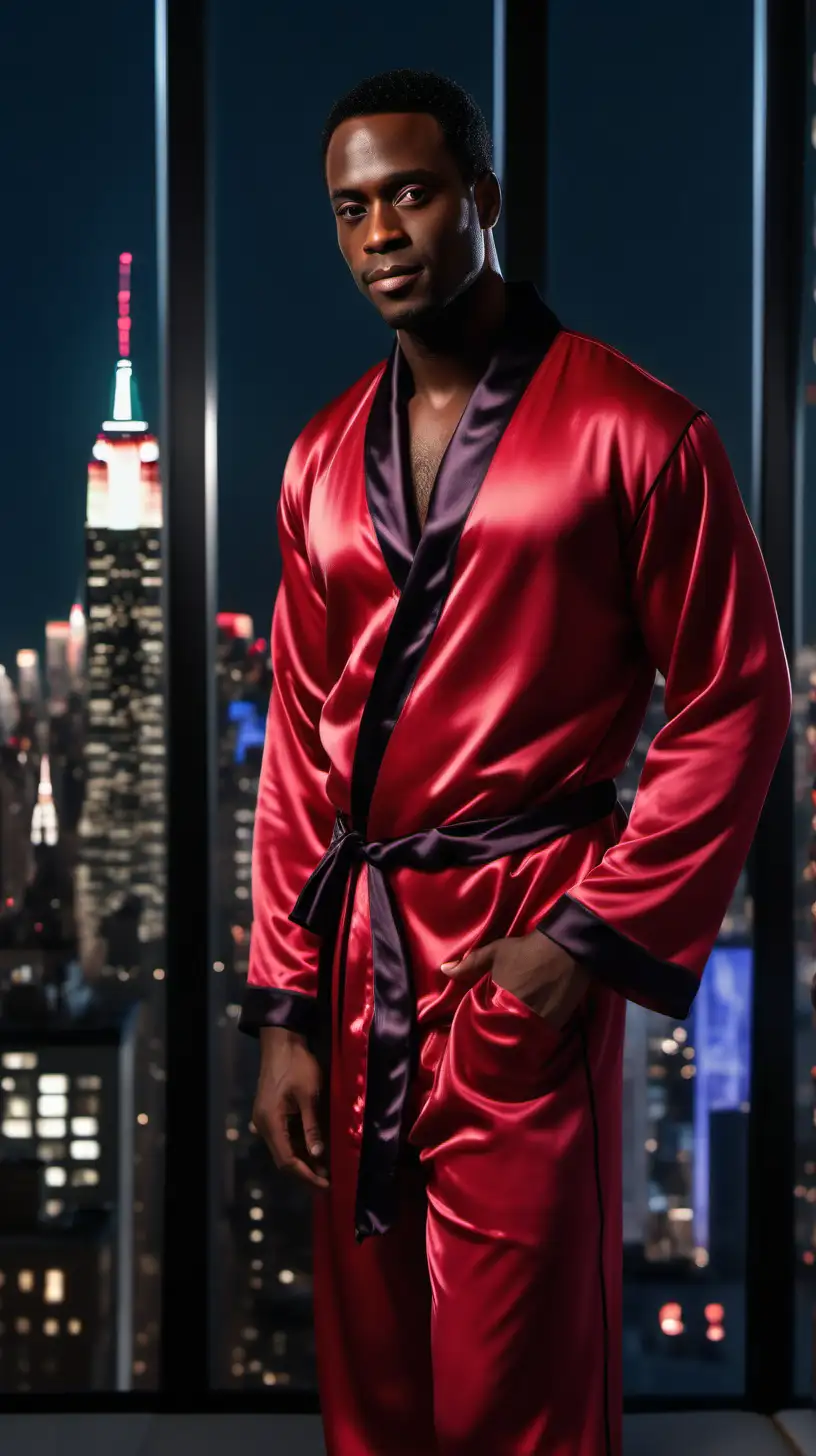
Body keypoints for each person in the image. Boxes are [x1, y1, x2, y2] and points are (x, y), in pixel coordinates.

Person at [238, 68, 791, 1456]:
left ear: (480, 202)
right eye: (351, 208)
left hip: (519, 941)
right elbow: (304, 749)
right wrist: (283, 1016)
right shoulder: (315, 461)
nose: (380, 233)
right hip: (360, 958)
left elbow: (737, 695)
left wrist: (586, 940)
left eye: (411, 194)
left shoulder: (637, 430)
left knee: (521, 1377)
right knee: (375, 1379)